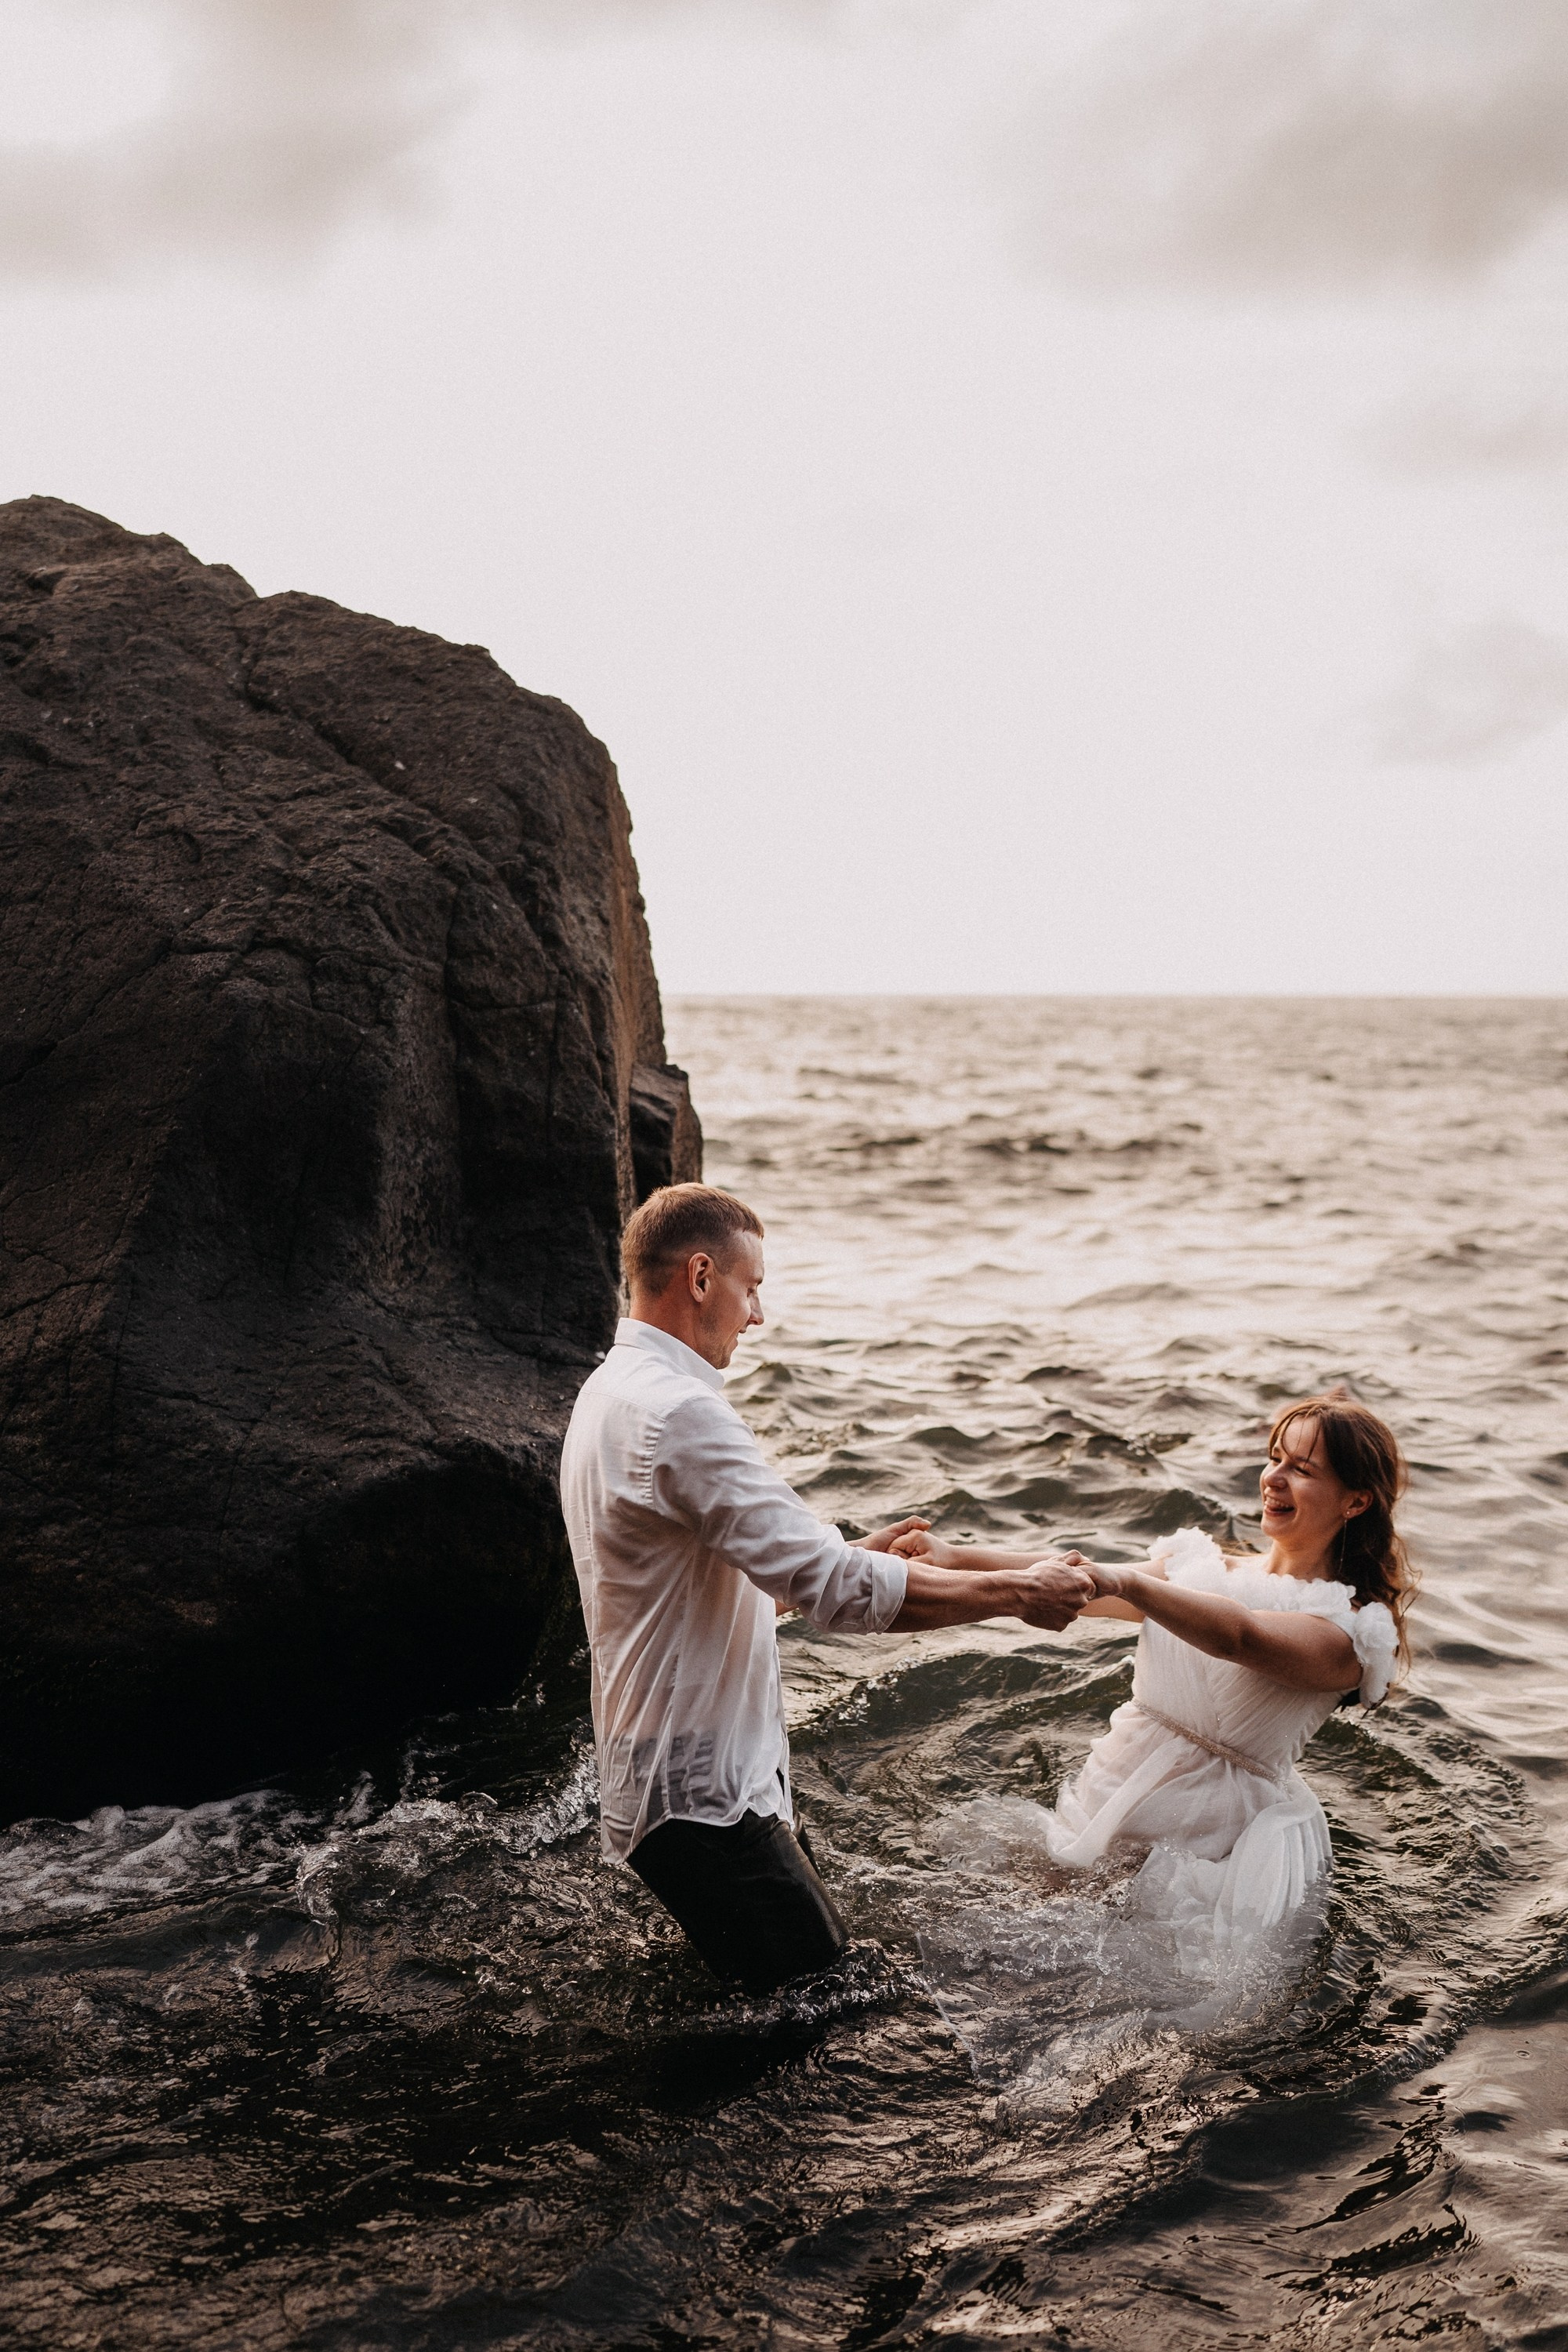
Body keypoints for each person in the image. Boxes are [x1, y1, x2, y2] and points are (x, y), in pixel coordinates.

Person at [559, 1183, 1096, 1994]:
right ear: (700, 1277)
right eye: (751, 1287)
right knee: (827, 2015)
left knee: (771, 1998)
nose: (757, 1315)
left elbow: (683, 1585)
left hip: (666, 1778)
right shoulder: (678, 1413)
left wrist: (838, 1556)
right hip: (704, 1799)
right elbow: (839, 1594)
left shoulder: (609, 1392)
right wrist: (1017, 1593)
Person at [893, 1395, 1415, 1959]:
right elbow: (1078, 1581)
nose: (1274, 1479)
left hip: (1206, 1835)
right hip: (1112, 1786)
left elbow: (1239, 1637)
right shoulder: (1203, 1568)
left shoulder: (1351, 1633)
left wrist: (1132, 1583)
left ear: (1356, 1501)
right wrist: (955, 1557)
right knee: (983, 1938)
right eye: (1275, 1459)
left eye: (1302, 1469)